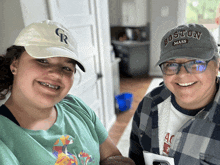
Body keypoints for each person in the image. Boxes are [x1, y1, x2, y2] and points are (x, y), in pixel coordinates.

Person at [0, 20, 135, 165]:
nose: (57, 74)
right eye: (43, 60)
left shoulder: (76, 107)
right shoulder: (4, 140)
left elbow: (112, 158)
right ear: (15, 64)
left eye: (66, 68)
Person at [129, 24, 220, 165]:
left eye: (196, 63)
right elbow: (136, 158)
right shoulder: (149, 103)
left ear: (217, 65)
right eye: (171, 64)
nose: (182, 74)